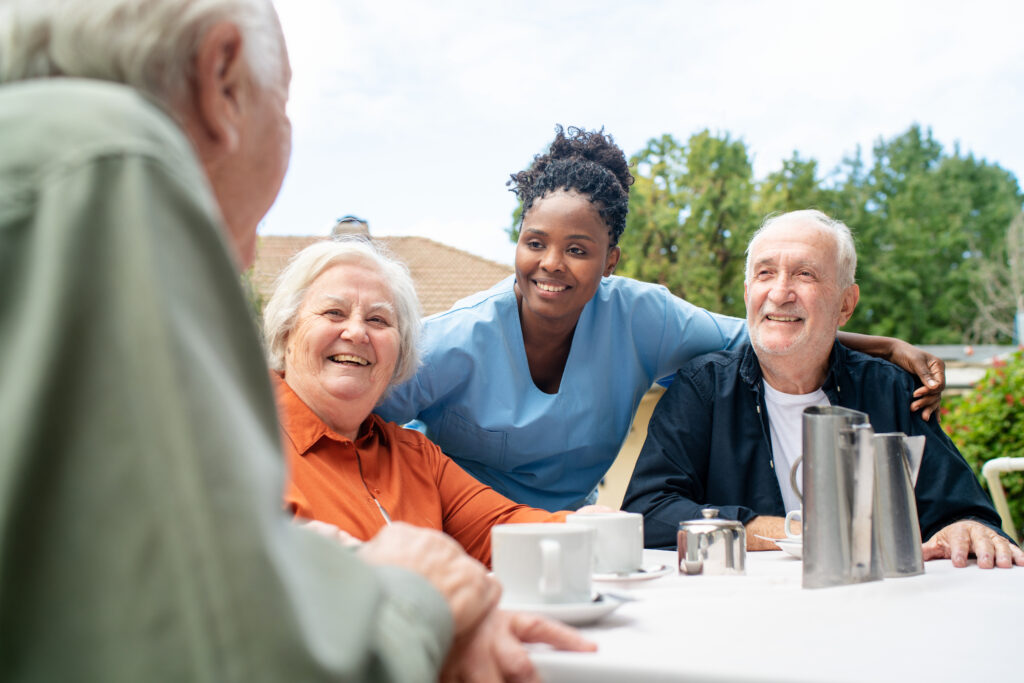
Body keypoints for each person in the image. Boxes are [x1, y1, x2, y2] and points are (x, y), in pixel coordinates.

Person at [0, 1, 593, 681]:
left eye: (381, 320)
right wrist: (415, 594)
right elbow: (209, 647)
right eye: (284, 107)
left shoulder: (408, 452)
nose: (356, 332)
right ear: (222, 79)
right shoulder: (111, 177)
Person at [376, 126, 947, 512]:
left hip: (571, 538)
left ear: (610, 261)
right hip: (456, 530)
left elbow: (765, 334)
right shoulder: (455, 339)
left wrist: (887, 346)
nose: (551, 264)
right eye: (535, 243)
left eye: (578, 249)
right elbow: (353, 416)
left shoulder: (642, 318)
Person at [622, 210, 1024, 569]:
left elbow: (963, 511)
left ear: (846, 305)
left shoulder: (889, 389)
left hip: (876, 613)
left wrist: (968, 528)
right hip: (745, 617)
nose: (779, 292)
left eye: (805, 274)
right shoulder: (702, 388)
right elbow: (649, 513)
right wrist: (799, 531)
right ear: (747, 295)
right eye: (765, 273)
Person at [265, 238, 607, 564]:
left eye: (378, 320)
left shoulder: (415, 456)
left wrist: (586, 529)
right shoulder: (239, 437)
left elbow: (502, 530)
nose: (356, 332)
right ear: (286, 332)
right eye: (333, 312)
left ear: (400, 353)